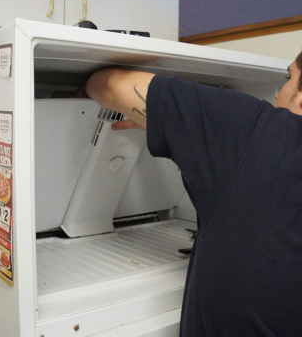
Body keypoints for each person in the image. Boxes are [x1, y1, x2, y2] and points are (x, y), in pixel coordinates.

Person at [82, 50, 302, 336]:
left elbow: (109, 84)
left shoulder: (263, 131)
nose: (279, 93)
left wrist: (79, 88)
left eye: (289, 77)